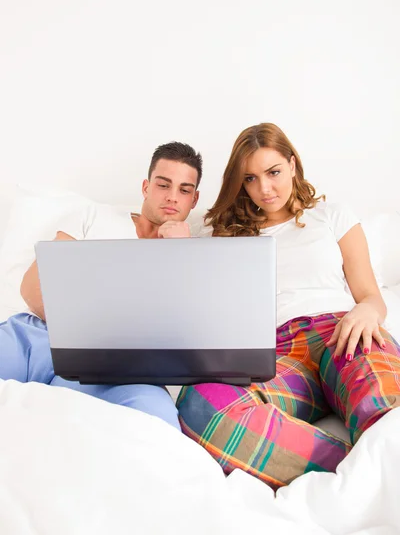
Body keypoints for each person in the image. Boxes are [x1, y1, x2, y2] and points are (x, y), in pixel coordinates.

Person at [176, 123, 400, 487]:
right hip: (273, 353)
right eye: (250, 179)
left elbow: (370, 295)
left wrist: (367, 310)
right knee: (202, 406)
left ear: (293, 164)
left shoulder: (332, 215)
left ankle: (382, 465)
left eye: (274, 172)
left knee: (385, 400)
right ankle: (355, 472)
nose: (264, 188)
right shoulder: (218, 232)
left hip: (341, 332)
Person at [0, 141, 202, 430]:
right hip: (37, 338)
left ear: (193, 200)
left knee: (158, 422)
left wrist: (181, 253)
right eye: (163, 185)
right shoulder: (93, 216)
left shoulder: (196, 254)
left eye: (184, 190)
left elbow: (187, 335)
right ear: (146, 187)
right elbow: (33, 287)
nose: (172, 197)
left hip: (122, 369)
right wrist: (82, 335)